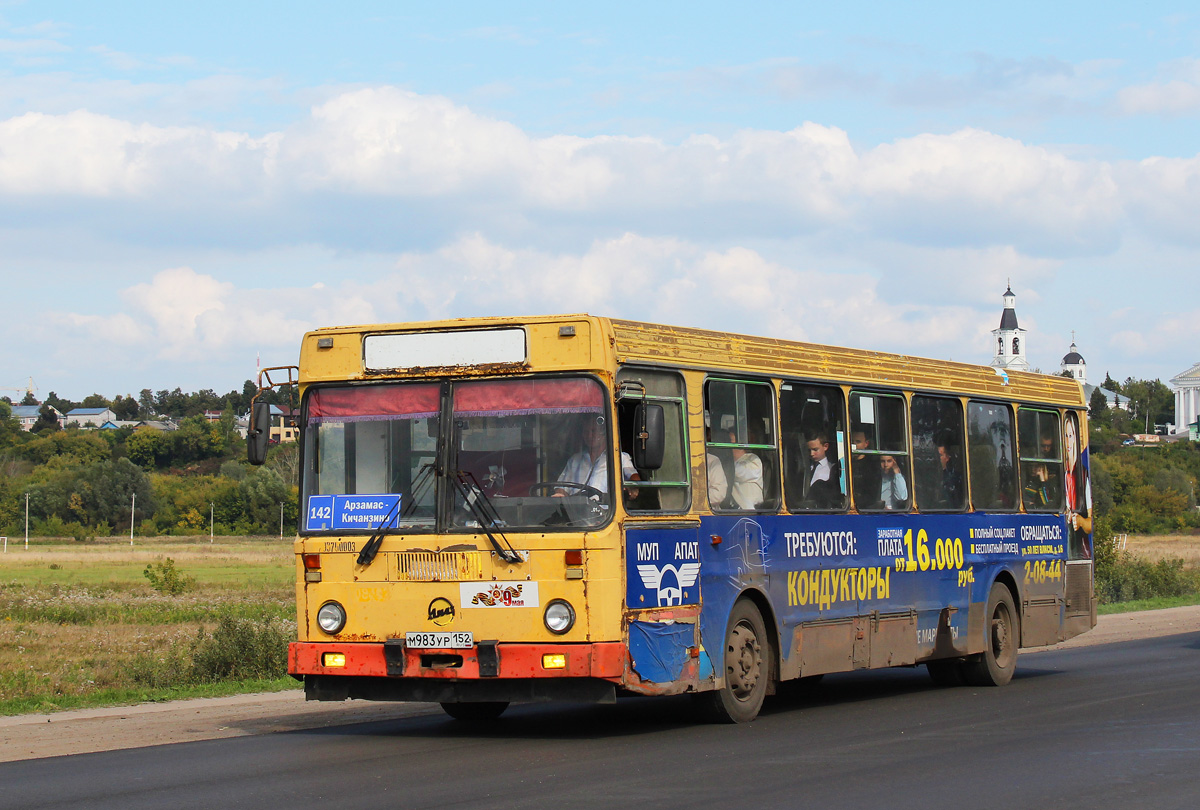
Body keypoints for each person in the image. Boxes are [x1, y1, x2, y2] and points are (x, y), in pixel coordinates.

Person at [555, 417, 636, 497]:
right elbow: (562, 487)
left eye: (594, 431)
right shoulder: (574, 460)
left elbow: (634, 477)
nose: (590, 436)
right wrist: (560, 494)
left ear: (604, 433)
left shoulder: (619, 458)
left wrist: (632, 487)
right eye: (586, 432)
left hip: (608, 510)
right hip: (577, 509)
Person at [1064, 415, 1092, 557]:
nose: (1068, 441)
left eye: (1070, 435)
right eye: (1065, 436)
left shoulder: (1084, 475)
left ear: (1075, 438)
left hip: (1081, 552)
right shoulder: (1063, 474)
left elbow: (1090, 524)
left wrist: (1081, 521)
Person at [728, 428, 763, 509]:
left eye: (730, 441)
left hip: (751, 512)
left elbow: (737, 473)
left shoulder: (753, 460)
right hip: (733, 510)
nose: (727, 445)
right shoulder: (730, 462)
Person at [805, 431, 841, 508]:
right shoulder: (805, 469)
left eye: (815, 450)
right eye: (809, 450)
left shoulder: (832, 469)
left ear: (825, 446)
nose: (811, 453)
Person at [850, 429, 880, 509]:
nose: (854, 445)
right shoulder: (844, 463)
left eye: (858, 442)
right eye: (852, 442)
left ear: (866, 444)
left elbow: (872, 495)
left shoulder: (872, 466)